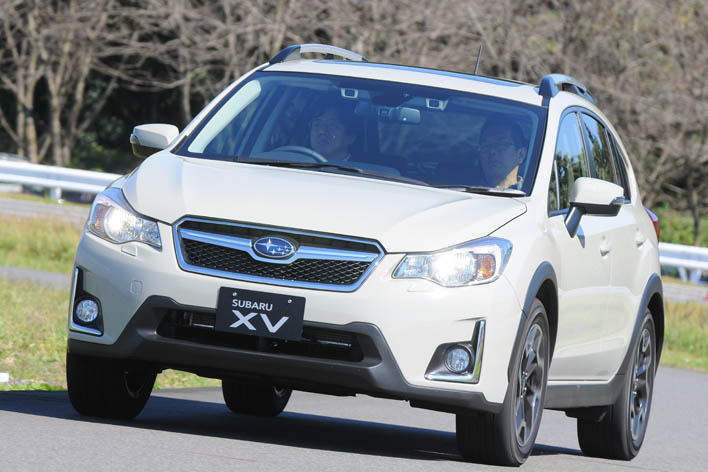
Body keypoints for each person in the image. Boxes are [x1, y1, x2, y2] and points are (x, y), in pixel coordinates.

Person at [478, 119, 527, 189]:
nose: (492, 151)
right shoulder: (463, 189)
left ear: (521, 155)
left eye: (501, 144)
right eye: (486, 145)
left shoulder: (535, 192)